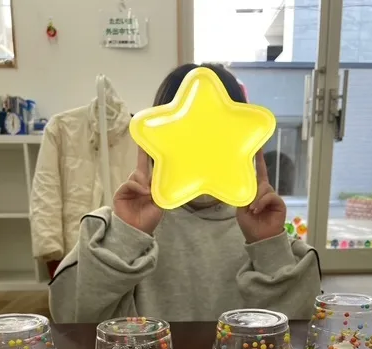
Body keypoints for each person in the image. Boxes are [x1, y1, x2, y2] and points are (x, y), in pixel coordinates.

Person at [49, 63, 321, 323]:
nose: (202, 149)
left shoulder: (262, 228)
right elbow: (70, 318)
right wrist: (125, 237)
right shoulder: (116, 230)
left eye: (216, 136)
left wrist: (269, 247)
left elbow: (299, 327)